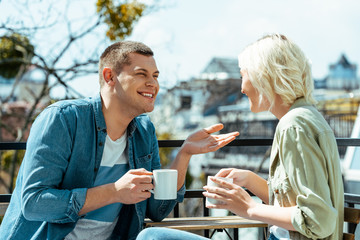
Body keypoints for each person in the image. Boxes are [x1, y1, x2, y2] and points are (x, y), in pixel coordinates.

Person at [0, 41, 239, 240]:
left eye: (155, 76)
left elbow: (157, 211)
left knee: (152, 237)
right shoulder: (63, 120)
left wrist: (184, 153)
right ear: (109, 77)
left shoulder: (144, 130)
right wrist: (114, 192)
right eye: (141, 74)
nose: (153, 84)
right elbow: (33, 203)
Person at [136, 34, 344, 240]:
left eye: (243, 75)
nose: (242, 88)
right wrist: (250, 180)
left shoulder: (293, 125)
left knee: (151, 236)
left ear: (263, 76)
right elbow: (296, 204)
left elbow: (318, 220)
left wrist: (249, 208)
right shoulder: (308, 117)